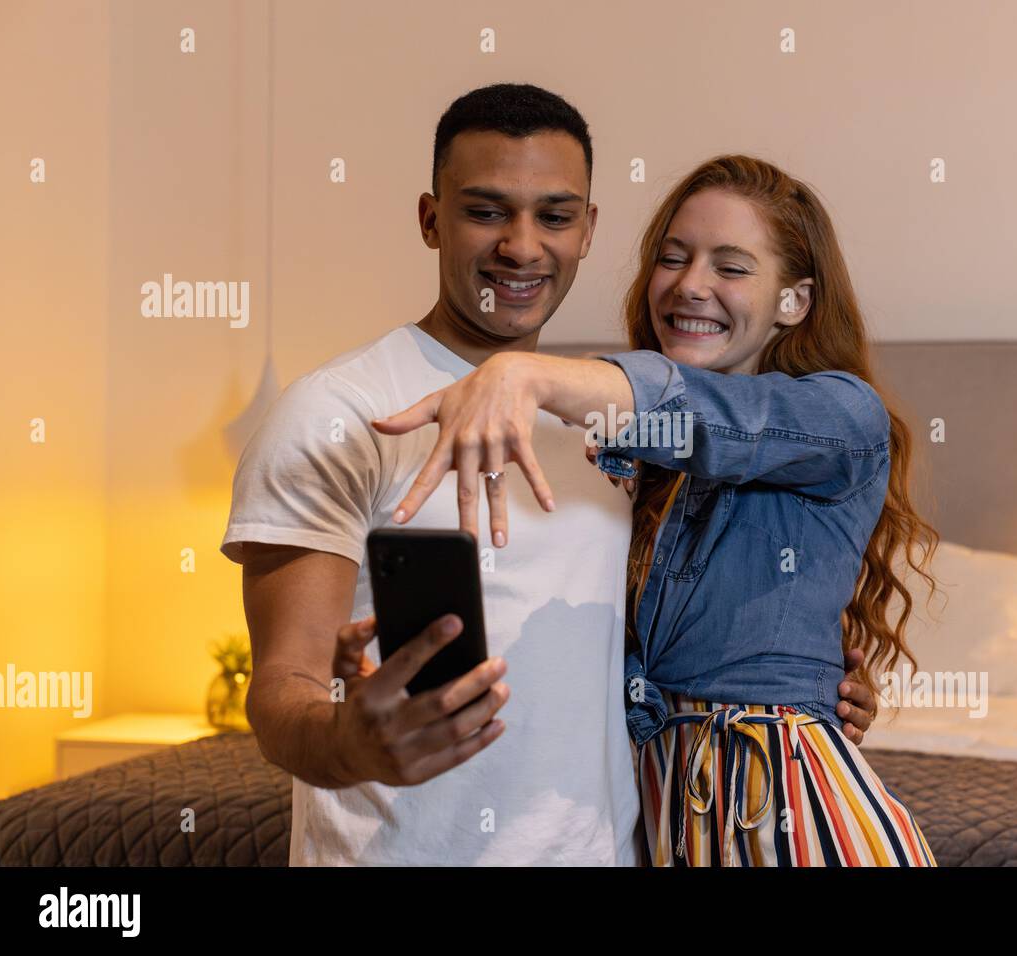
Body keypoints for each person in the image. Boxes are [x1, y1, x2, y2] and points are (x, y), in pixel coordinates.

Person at [221, 84, 876, 865]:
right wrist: (352, 740)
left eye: (555, 216)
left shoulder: (610, 426)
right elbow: (280, 695)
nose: (523, 246)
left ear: (589, 230)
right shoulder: (334, 411)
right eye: (487, 211)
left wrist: (805, 685)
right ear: (431, 219)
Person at [374, 154, 941, 867]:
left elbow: (716, 418)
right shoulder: (643, 468)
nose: (690, 284)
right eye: (673, 258)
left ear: (794, 301)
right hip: (675, 821)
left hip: (788, 822)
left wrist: (523, 371)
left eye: (730, 267)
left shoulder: (839, 415)